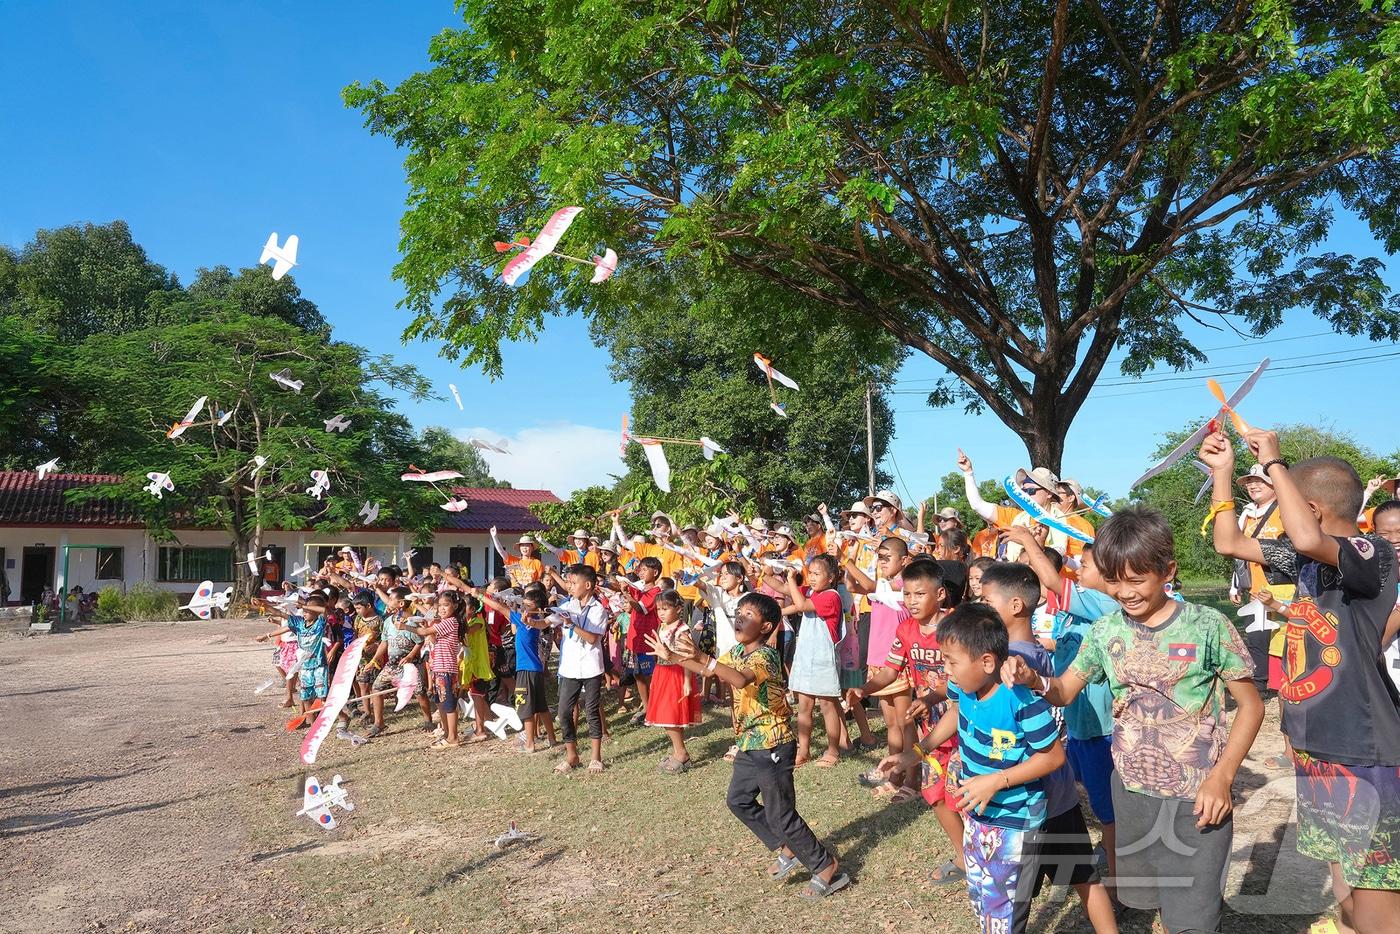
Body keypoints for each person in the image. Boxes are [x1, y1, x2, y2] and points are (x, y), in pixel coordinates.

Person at [1005, 506, 1263, 934]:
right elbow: (1066, 689)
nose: (1124, 592)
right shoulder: (1106, 631)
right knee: (1151, 899)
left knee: (1193, 918)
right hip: (1131, 792)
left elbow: (1251, 706)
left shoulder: (1207, 626)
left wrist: (1222, 776)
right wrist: (1035, 678)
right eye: (1114, 580)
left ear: (1168, 571)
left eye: (1136, 579)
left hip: (1195, 797)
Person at [1206, 429, 1400, 933]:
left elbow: (1312, 537)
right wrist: (1223, 475)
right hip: (1317, 745)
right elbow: (1229, 542)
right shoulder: (1305, 563)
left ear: (1310, 507)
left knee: (1377, 895)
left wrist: (1273, 461)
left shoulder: (1372, 553)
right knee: (1344, 886)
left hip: (1365, 750)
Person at [659, 592, 849, 899]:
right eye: (739, 612)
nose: (740, 618)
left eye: (749, 615)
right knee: (738, 800)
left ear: (765, 627)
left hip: (773, 743)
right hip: (749, 742)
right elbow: (711, 669)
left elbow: (738, 679)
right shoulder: (737, 651)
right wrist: (676, 657)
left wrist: (700, 657)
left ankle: (824, 864)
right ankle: (786, 845)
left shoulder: (766, 657)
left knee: (780, 813)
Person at [977, 561, 1118, 932]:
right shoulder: (1025, 654)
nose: (981, 609)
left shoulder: (1015, 663)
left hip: (1031, 801)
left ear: (1016, 606)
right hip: (1055, 796)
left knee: (1012, 897)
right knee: (1083, 876)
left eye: (987, 602)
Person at [922, 603, 1067, 933]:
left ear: (987, 661)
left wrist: (996, 781)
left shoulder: (1022, 699)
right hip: (979, 816)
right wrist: (920, 749)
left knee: (1006, 912)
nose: (947, 671)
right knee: (984, 897)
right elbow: (956, 712)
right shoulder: (966, 687)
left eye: (952, 662)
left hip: (1017, 822)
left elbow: (1053, 757)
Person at [1005, 526, 1120, 882]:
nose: (1078, 570)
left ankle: (1118, 881)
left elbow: (1054, 581)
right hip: (1080, 725)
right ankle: (1110, 852)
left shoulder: (1104, 603)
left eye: (1085, 565)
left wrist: (1028, 541)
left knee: (1109, 812)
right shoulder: (1078, 610)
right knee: (1091, 798)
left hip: (1102, 729)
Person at [864, 560, 966, 879]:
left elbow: (961, 679)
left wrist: (932, 697)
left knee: (964, 797)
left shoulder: (956, 627)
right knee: (935, 796)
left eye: (920, 593)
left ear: (940, 594)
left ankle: (984, 858)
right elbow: (891, 670)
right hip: (928, 732)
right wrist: (861, 690)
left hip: (963, 727)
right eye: (907, 594)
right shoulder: (905, 629)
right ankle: (965, 858)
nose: (911, 600)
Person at [843, 536, 914, 793]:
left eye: (887, 557)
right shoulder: (883, 586)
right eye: (880, 557)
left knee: (905, 723)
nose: (882, 562)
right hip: (878, 661)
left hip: (898, 662)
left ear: (904, 560)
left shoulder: (903, 587)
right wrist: (851, 557)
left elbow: (868, 584)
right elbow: (853, 585)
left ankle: (907, 777)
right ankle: (893, 772)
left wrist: (849, 562)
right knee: (892, 723)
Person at [782, 554, 846, 769]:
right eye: (810, 573)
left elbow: (800, 606)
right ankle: (804, 750)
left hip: (823, 659)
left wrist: (792, 581)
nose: (812, 577)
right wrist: (770, 570)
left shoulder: (831, 596)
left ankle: (833, 749)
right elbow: (783, 590)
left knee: (828, 706)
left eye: (817, 573)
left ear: (831, 577)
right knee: (804, 707)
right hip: (806, 657)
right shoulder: (811, 591)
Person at [477, 583, 557, 751]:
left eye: (528, 605)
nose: (524, 607)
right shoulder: (534, 621)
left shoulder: (523, 621)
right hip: (535, 669)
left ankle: (529, 744)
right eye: (524, 604)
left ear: (538, 608)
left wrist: (480, 595)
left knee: (526, 708)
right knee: (542, 707)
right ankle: (552, 739)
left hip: (525, 670)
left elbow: (499, 607)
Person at [555, 563, 609, 774]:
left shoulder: (599, 609)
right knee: (564, 711)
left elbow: (593, 637)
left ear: (588, 585)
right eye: (569, 582)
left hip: (591, 667)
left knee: (591, 710)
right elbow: (548, 622)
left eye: (574, 582)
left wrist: (571, 625)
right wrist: (532, 621)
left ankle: (596, 757)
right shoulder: (568, 605)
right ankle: (572, 755)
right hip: (569, 668)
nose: (570, 586)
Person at [642, 589, 702, 772]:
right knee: (665, 715)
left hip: (676, 674)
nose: (661, 613)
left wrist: (686, 681)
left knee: (671, 715)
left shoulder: (682, 630)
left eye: (665, 609)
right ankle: (678, 751)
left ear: (677, 608)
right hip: (662, 672)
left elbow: (686, 658)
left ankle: (681, 753)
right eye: (659, 609)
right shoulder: (662, 627)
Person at [404, 590, 468, 750]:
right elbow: (431, 637)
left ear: (455, 605)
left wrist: (405, 626)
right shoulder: (445, 623)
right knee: (441, 703)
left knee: (449, 705)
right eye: (439, 605)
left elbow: (424, 633)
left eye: (445, 605)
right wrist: (425, 626)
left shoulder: (450, 622)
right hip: (439, 668)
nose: (441, 609)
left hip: (446, 669)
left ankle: (453, 737)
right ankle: (447, 734)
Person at [366, 586, 431, 736]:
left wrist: (410, 656)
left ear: (401, 603)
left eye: (391, 600)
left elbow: (419, 641)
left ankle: (428, 720)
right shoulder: (388, 621)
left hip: (410, 665)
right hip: (392, 665)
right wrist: (374, 660)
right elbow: (384, 642)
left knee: (419, 692)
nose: (388, 602)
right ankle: (379, 723)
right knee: (377, 687)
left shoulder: (411, 621)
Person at [257, 593, 331, 718]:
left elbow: (324, 610)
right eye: (304, 610)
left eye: (308, 610)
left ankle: (332, 718)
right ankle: (312, 725)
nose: (304, 612)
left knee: (322, 696)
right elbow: (280, 614)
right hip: (305, 667)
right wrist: (264, 605)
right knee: (307, 698)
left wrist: (304, 605)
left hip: (319, 665)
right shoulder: (299, 623)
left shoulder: (320, 623)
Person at [616, 556, 663, 725]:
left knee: (648, 675)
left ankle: (653, 709)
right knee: (637, 674)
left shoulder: (655, 591)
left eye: (644, 570)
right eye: (640, 570)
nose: (641, 573)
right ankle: (647, 707)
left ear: (655, 572)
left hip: (647, 640)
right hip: (635, 640)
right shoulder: (641, 589)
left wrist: (626, 593)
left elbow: (640, 608)